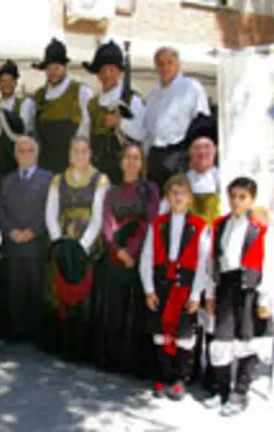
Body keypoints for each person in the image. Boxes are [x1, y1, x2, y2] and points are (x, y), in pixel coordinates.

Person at [205, 177, 274, 416]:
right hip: (226, 286)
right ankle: (222, 389)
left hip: (249, 288)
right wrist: (209, 293)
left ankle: (240, 391)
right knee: (221, 340)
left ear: (251, 200)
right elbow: (211, 262)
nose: (236, 202)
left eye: (242, 197)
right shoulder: (219, 225)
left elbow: (271, 266)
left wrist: (264, 300)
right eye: (233, 196)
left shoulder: (261, 229)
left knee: (247, 341)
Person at [139, 173, 210, 400]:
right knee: (160, 334)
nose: (178, 197)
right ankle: (163, 375)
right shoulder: (157, 224)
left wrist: (197, 294)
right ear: (168, 197)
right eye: (173, 193)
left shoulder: (200, 226)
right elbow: (147, 257)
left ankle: (181, 379)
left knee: (184, 336)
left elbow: (203, 264)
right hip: (162, 285)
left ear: (190, 198)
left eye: (182, 193)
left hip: (185, 287)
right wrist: (149, 289)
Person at [95, 144, 159, 378]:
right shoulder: (111, 192)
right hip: (116, 257)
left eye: (136, 158)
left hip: (141, 257)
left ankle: (137, 364)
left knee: (138, 311)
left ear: (141, 164)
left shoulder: (150, 189)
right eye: (127, 157)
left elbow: (150, 222)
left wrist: (132, 251)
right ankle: (115, 360)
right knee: (116, 308)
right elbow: (107, 223)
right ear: (121, 162)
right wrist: (117, 250)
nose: (132, 162)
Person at [42, 137, 109, 360]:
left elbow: (98, 216)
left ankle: (83, 346)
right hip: (62, 240)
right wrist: (58, 242)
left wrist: (82, 246)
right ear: (69, 154)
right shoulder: (58, 180)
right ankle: (64, 344)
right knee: (60, 291)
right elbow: (50, 213)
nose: (79, 155)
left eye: (83, 151)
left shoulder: (100, 180)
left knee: (85, 293)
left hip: (86, 243)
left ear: (89, 154)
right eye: (75, 151)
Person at [0, 136, 53, 342]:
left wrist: (34, 231)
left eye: (30, 150)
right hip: (13, 243)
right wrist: (11, 232)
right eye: (21, 151)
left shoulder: (48, 179)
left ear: (36, 154)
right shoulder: (7, 180)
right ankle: (17, 331)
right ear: (15, 155)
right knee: (15, 288)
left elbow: (49, 209)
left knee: (37, 286)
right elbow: (1, 211)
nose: (25, 154)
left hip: (36, 242)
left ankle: (37, 333)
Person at [144, 47, 211, 189]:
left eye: (169, 63)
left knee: (177, 200)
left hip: (179, 154)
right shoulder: (153, 93)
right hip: (156, 156)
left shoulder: (191, 87)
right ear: (155, 67)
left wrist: (197, 157)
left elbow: (202, 123)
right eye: (160, 64)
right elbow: (148, 129)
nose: (165, 67)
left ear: (178, 64)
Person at [82, 41, 146, 185]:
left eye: (111, 69)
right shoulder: (92, 104)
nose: (107, 75)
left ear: (119, 72)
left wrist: (120, 123)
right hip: (97, 169)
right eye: (102, 70)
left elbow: (142, 133)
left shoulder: (132, 100)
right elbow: (84, 135)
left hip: (124, 172)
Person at [31, 39, 92, 173]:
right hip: (43, 167)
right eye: (49, 68)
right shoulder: (39, 96)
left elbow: (86, 129)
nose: (52, 72)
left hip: (71, 166)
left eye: (57, 68)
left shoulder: (80, 91)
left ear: (65, 67)